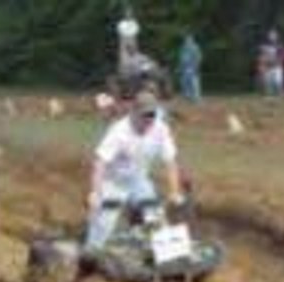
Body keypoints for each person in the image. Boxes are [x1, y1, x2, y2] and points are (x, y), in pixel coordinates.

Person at [83, 91, 183, 255]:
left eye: (152, 114)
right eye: (145, 115)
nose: (149, 119)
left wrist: (174, 191)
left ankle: (171, 259)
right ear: (134, 113)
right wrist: (95, 192)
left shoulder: (160, 128)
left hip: (139, 181)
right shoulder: (119, 131)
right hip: (113, 182)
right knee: (103, 225)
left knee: (156, 217)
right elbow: (100, 162)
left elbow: (170, 161)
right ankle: (90, 256)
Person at [257, 29, 284, 97]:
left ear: (277, 36)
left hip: (277, 66)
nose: (272, 37)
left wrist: (279, 61)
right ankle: (269, 97)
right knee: (268, 83)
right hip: (268, 67)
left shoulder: (279, 45)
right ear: (268, 36)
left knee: (278, 82)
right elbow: (261, 56)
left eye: (274, 35)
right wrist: (261, 66)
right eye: (271, 35)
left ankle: (280, 95)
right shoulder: (264, 46)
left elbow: (283, 55)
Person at [178, 33, 203, 103]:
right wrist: (180, 68)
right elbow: (181, 59)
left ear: (192, 40)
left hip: (192, 67)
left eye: (189, 40)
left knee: (194, 83)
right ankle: (188, 97)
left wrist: (196, 67)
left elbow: (198, 58)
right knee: (184, 83)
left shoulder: (195, 48)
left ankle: (197, 98)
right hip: (185, 68)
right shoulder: (183, 49)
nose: (187, 41)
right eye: (186, 40)